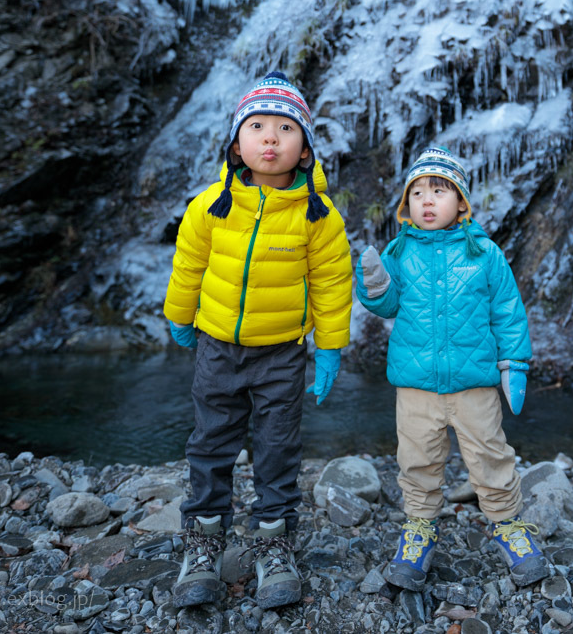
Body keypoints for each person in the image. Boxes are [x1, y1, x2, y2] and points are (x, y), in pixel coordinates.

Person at [163, 70, 352, 608]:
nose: (271, 139)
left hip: (282, 354)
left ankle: (274, 543)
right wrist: (179, 315)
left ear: (306, 149)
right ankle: (203, 545)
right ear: (237, 143)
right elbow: (189, 265)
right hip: (217, 345)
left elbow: (333, 281)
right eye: (258, 126)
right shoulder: (211, 206)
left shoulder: (317, 216)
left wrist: (331, 345)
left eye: (286, 129)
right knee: (210, 442)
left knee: (277, 448)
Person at [355, 146, 548, 590]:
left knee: (490, 455)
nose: (426, 200)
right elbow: (387, 305)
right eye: (418, 192)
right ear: (407, 204)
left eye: (438, 191)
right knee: (417, 458)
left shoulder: (484, 252)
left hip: (473, 384)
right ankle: (419, 528)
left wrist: (514, 363)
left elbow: (507, 310)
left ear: (461, 201)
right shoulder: (399, 251)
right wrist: (374, 284)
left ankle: (508, 526)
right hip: (416, 385)